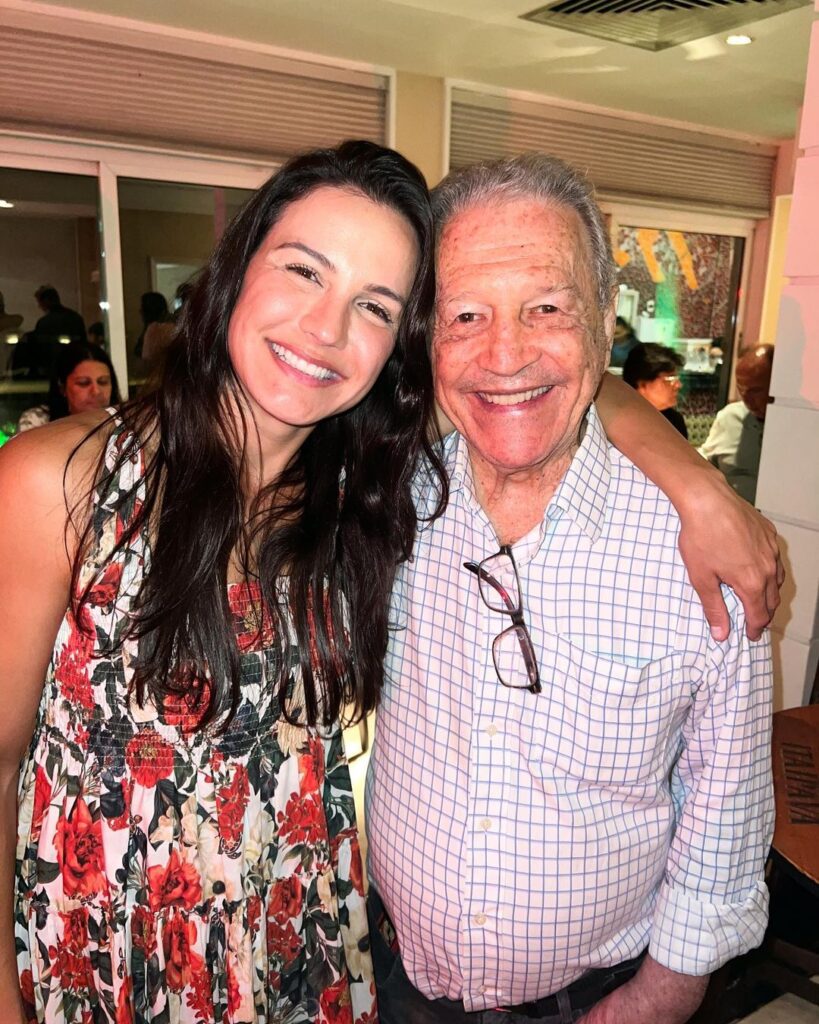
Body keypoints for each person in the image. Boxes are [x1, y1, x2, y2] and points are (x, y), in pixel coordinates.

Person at [0, 140, 447, 1024]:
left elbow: (537, 376)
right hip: (106, 963)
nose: (327, 328)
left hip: (299, 952)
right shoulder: (66, 482)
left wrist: (694, 485)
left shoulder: (365, 509)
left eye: (374, 306)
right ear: (237, 269)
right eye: (303, 270)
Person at [365, 154, 775, 1024]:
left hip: (597, 1002)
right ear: (427, 336)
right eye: (465, 314)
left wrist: (662, 994)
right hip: (394, 980)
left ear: (601, 324)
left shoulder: (699, 551)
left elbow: (725, 799)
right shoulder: (384, 508)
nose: (504, 354)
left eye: (546, 307)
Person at [699, 344, 774, 504]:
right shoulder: (729, 416)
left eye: (755, 390)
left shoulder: (799, 426)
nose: (746, 398)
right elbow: (705, 461)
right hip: (728, 514)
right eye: (741, 389)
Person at [16, 340, 121, 433]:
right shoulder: (37, 421)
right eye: (83, 383)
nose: (96, 391)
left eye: (103, 382)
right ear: (62, 388)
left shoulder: (124, 422)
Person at [623, 341, 688, 438]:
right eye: (670, 379)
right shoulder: (620, 420)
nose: (678, 385)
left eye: (676, 378)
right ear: (642, 384)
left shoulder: (674, 420)